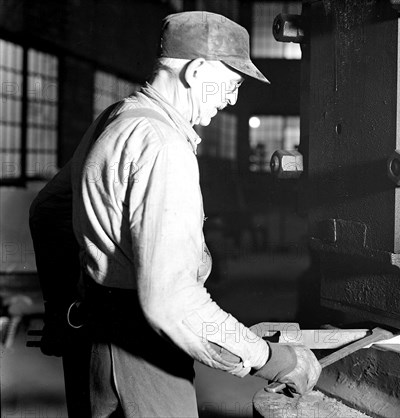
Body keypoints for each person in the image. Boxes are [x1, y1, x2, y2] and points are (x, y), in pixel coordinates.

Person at [30, 11, 321, 417]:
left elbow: (47, 210)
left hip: (92, 341)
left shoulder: (116, 118)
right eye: (233, 83)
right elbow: (174, 301)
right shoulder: (163, 145)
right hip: (142, 354)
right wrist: (273, 359)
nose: (233, 98)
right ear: (198, 69)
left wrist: (62, 306)